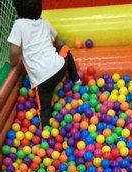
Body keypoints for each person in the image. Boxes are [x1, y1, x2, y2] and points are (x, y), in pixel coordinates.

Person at [8, 0, 81, 128]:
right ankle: (76, 80)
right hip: (60, 69)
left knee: (45, 108)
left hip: (43, 81)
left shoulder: (19, 25)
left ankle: (45, 132)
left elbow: (14, 50)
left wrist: (13, 62)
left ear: (17, 12)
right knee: (65, 50)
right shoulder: (45, 23)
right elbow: (58, 43)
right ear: (40, 9)